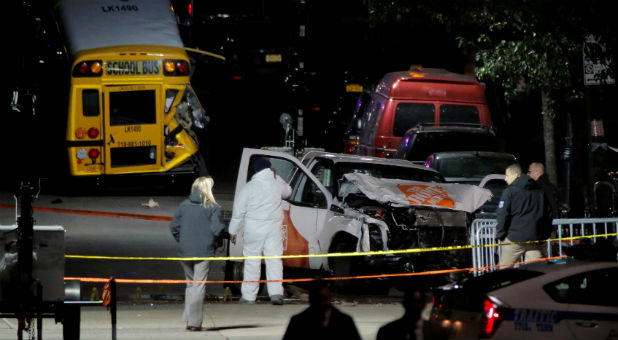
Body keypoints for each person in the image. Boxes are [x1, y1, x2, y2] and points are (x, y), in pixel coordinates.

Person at [229, 158, 292, 305]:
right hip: (273, 230)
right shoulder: (276, 184)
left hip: (253, 229)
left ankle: (249, 296)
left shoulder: (249, 187)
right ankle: (276, 293)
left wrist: (232, 231)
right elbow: (288, 191)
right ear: (269, 169)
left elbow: (238, 212)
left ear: (255, 170)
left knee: (252, 262)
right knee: (274, 260)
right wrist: (278, 177)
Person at [170, 176, 225, 331]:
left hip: (185, 251)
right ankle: (194, 323)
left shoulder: (184, 205)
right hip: (203, 252)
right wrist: (219, 239)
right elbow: (217, 229)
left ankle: (189, 318)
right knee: (198, 286)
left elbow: (174, 226)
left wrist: (182, 240)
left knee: (190, 285)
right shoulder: (213, 207)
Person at [497, 164, 552, 267]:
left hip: (514, 238)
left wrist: (501, 234)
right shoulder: (539, 192)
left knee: (504, 272)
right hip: (534, 239)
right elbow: (548, 214)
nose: (505, 179)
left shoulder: (510, 192)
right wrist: (544, 235)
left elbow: (502, 214)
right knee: (537, 271)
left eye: (507, 175)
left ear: (516, 175)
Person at [282, 279, 361, 340]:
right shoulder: (297, 322)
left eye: (324, 299)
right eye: (320, 299)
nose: (323, 304)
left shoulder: (345, 321)